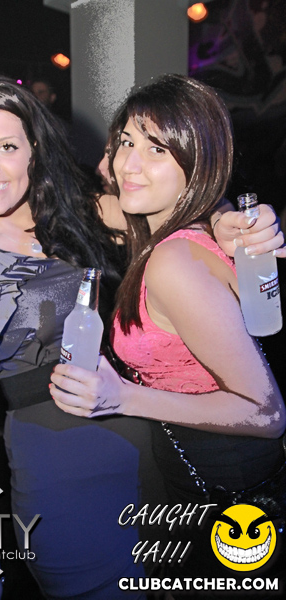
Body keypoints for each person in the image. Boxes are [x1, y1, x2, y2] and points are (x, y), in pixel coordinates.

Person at [0, 72, 284, 600]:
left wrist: (230, 218)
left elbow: (179, 200)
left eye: (6, 146)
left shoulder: (87, 215)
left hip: (159, 468)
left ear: (34, 147)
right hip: (66, 488)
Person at [50, 74, 286, 595]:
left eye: (156, 148)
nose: (128, 164)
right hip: (199, 475)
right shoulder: (158, 228)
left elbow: (266, 414)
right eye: (125, 142)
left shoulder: (175, 261)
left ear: (197, 164)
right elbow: (74, 205)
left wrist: (123, 396)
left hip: (227, 492)